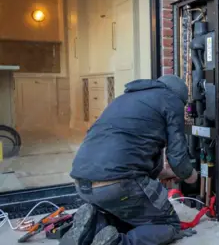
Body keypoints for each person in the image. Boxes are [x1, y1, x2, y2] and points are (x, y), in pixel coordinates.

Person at [60, 75, 198, 245]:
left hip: (83, 184)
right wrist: (191, 176)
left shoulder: (124, 99)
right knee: (168, 225)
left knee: (134, 217)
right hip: (117, 185)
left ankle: (94, 225)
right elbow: (177, 158)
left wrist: (165, 173)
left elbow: (132, 155)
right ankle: (118, 242)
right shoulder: (171, 100)